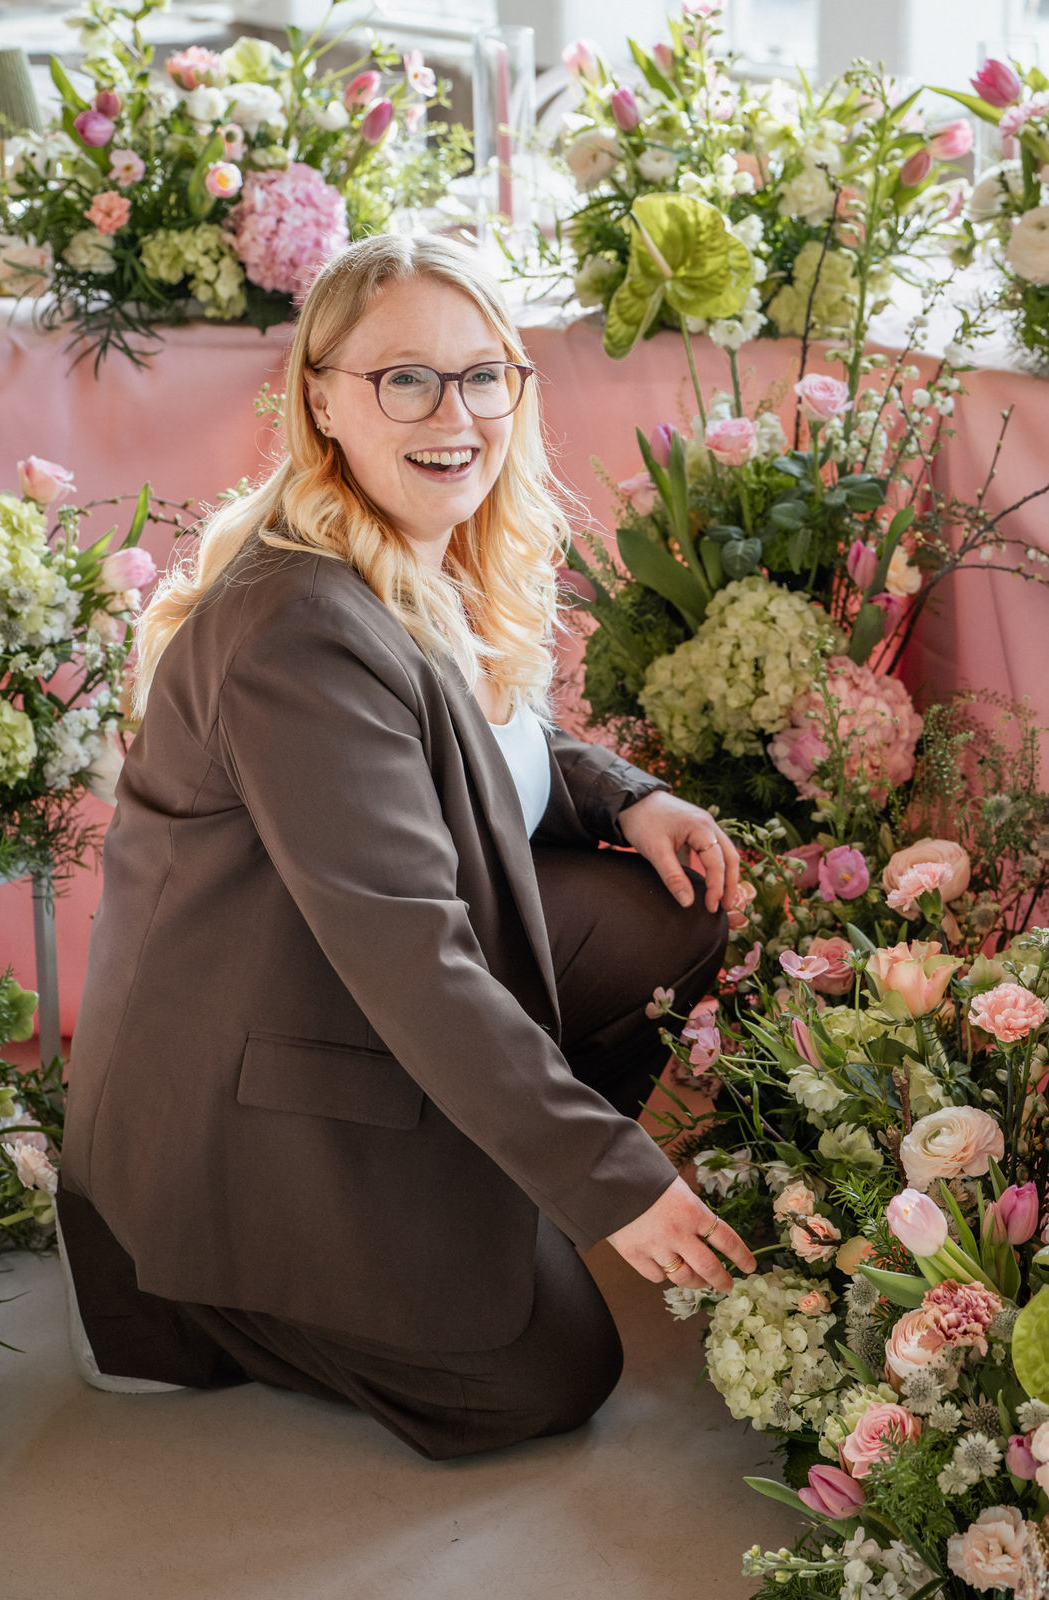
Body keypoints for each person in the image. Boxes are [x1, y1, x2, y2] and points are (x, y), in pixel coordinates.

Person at [57, 234, 756, 1461]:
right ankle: (171, 1294)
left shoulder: (415, 556)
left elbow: (484, 732)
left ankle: (478, 1197)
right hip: (247, 1082)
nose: (457, 414)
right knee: (549, 1375)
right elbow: (412, 958)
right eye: (405, 379)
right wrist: (614, 1176)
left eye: (483, 374)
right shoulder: (298, 632)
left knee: (671, 907)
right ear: (319, 397)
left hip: (337, 995)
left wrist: (626, 793)